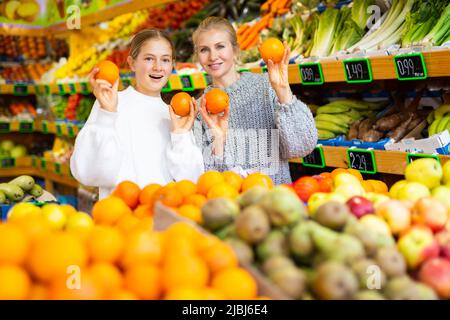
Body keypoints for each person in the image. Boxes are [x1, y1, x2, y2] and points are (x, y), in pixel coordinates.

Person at [70, 29, 203, 199]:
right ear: (132, 63)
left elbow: (190, 182)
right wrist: (107, 116)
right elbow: (87, 173)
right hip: (120, 217)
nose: (158, 67)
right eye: (149, 58)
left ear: (172, 65)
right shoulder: (111, 104)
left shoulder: (172, 114)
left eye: (165, 60)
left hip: (164, 217)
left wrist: (181, 135)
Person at [191, 17, 317, 184]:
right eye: (204, 50)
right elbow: (208, 176)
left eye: (220, 46)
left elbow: (302, 146)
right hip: (232, 204)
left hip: (277, 199)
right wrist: (219, 143)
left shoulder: (266, 86)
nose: (213, 56)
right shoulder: (200, 109)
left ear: (235, 50)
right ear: (198, 56)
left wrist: (283, 91)